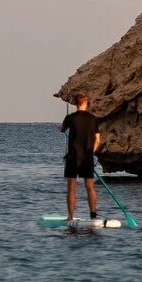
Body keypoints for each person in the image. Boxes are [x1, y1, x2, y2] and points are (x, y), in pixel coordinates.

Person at [60, 94, 102, 222]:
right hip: (87, 157)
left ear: (75, 103)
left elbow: (62, 129)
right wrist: (91, 152)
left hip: (73, 157)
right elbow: (97, 139)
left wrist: (60, 127)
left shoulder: (70, 117)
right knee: (90, 187)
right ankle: (93, 215)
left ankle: (70, 217)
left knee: (71, 187)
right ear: (86, 102)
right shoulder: (93, 118)